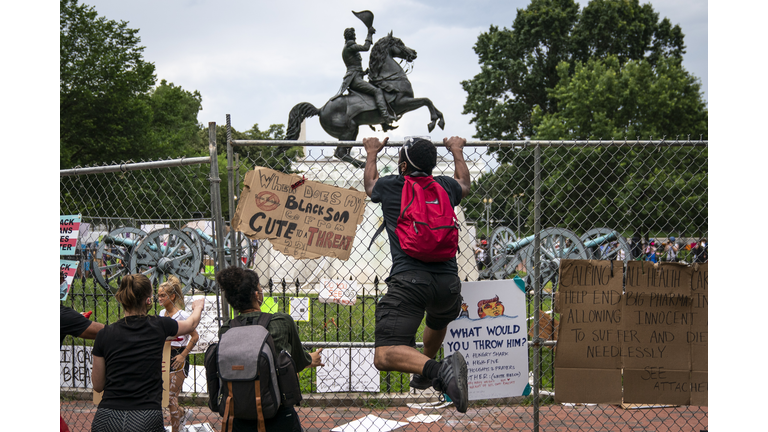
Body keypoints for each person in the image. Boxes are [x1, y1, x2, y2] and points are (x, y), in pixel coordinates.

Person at [363, 135, 471, 413]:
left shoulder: (391, 186)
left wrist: (372, 151)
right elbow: (465, 184)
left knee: (385, 354)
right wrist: (457, 150)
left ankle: (437, 370)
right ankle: (425, 369)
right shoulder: (445, 186)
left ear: (403, 165)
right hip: (448, 283)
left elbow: (369, 185)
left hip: (409, 280)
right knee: (438, 318)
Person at [90, 274, 204, 432]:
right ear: (148, 300)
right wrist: (198, 307)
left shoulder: (104, 334)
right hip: (145, 415)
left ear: (122, 299)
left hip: (107, 416)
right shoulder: (159, 326)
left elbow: (97, 385)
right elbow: (191, 324)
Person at [216, 267, 324, 431]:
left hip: (238, 413)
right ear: (256, 295)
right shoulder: (281, 322)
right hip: (277, 413)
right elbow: (297, 361)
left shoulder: (226, 330)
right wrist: (311, 359)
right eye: (259, 288)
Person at [60, 274, 105, 432]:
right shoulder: (61, 315)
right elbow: (103, 331)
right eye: (60, 280)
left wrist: (75, 320)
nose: (64, 284)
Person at [158, 275, 199, 432]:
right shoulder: (161, 314)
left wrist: (183, 355)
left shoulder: (181, 315)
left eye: (163, 295)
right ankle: (182, 413)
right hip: (163, 356)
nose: (159, 298)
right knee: (164, 398)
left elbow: (195, 336)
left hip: (178, 356)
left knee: (170, 397)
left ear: (172, 296)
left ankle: (177, 429)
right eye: (159, 295)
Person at [331, 26, 396, 123]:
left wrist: (364, 72)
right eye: (354, 35)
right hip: (355, 80)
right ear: (352, 36)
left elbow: (353, 67)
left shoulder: (347, 48)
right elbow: (366, 47)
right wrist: (369, 34)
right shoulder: (350, 46)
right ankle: (385, 117)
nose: (355, 37)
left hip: (356, 77)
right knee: (377, 91)